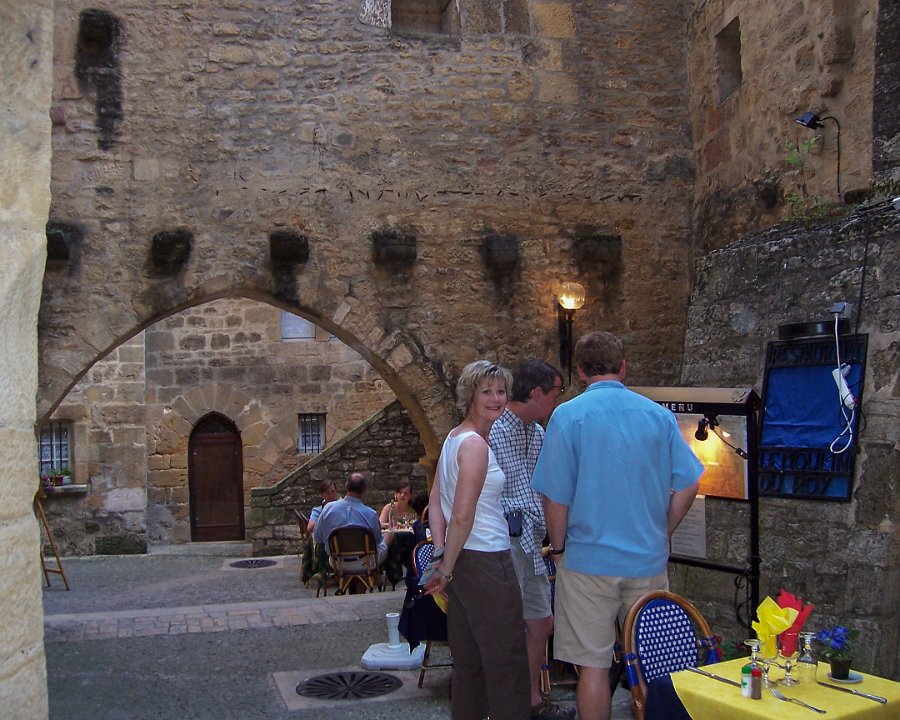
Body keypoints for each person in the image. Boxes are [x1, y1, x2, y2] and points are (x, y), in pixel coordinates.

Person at [530, 331, 703, 720]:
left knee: (592, 665)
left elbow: (555, 497)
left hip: (587, 560)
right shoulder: (658, 416)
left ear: (580, 371)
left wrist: (558, 548)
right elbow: (689, 483)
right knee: (657, 663)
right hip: (647, 559)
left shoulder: (567, 416)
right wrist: (663, 532)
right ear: (623, 367)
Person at [425, 360, 531, 720]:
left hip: (463, 560)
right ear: (469, 395)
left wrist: (442, 556)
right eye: (486, 391)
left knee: (469, 662)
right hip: (486, 561)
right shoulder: (474, 446)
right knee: (507, 662)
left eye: (501, 391)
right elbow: (460, 515)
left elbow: (435, 502)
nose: (496, 398)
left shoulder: (454, 438)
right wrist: (446, 567)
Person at [488, 359, 573, 720]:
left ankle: (530, 700)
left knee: (541, 623)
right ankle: (506, 705)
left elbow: (545, 489)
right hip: (505, 542)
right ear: (537, 393)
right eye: (556, 392)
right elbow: (518, 496)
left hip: (529, 542)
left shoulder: (535, 433)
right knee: (507, 628)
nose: (558, 399)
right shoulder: (494, 430)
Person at [313, 472, 389, 569]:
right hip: (365, 562)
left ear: (346, 485)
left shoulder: (328, 509)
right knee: (387, 538)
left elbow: (318, 537)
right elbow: (377, 541)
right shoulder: (371, 514)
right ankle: (389, 573)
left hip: (337, 562)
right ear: (364, 490)